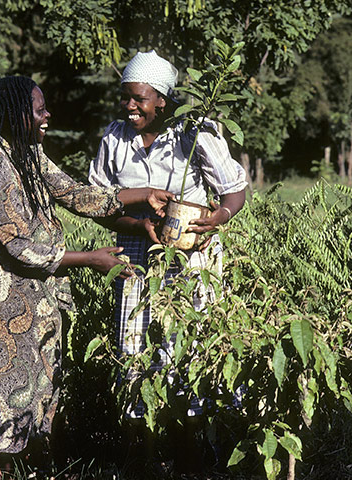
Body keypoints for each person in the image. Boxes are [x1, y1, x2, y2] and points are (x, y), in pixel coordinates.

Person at [0, 75, 173, 480]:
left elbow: (77, 195)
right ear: (14, 114)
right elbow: (19, 244)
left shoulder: (28, 154)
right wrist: (88, 259)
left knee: (14, 412)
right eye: (39, 110)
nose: (48, 116)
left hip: (15, 298)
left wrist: (144, 193)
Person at [88, 50, 248, 468]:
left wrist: (220, 216)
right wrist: (137, 224)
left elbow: (234, 187)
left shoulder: (194, 131)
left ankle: (192, 448)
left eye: (139, 98)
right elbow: (98, 202)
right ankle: (141, 452)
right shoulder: (113, 138)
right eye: (126, 97)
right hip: (136, 254)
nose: (130, 106)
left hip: (190, 253)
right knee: (133, 345)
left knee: (188, 344)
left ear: (162, 99)